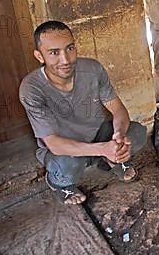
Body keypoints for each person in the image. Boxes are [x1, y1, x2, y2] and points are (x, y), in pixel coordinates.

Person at [19, 21, 147, 205]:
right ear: (39, 56)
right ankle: (56, 183)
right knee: (68, 167)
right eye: (54, 53)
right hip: (65, 149)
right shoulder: (31, 88)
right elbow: (54, 144)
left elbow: (118, 109)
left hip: (96, 136)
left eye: (69, 48)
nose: (66, 59)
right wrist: (104, 148)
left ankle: (108, 159)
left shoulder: (92, 69)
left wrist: (118, 136)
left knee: (136, 133)